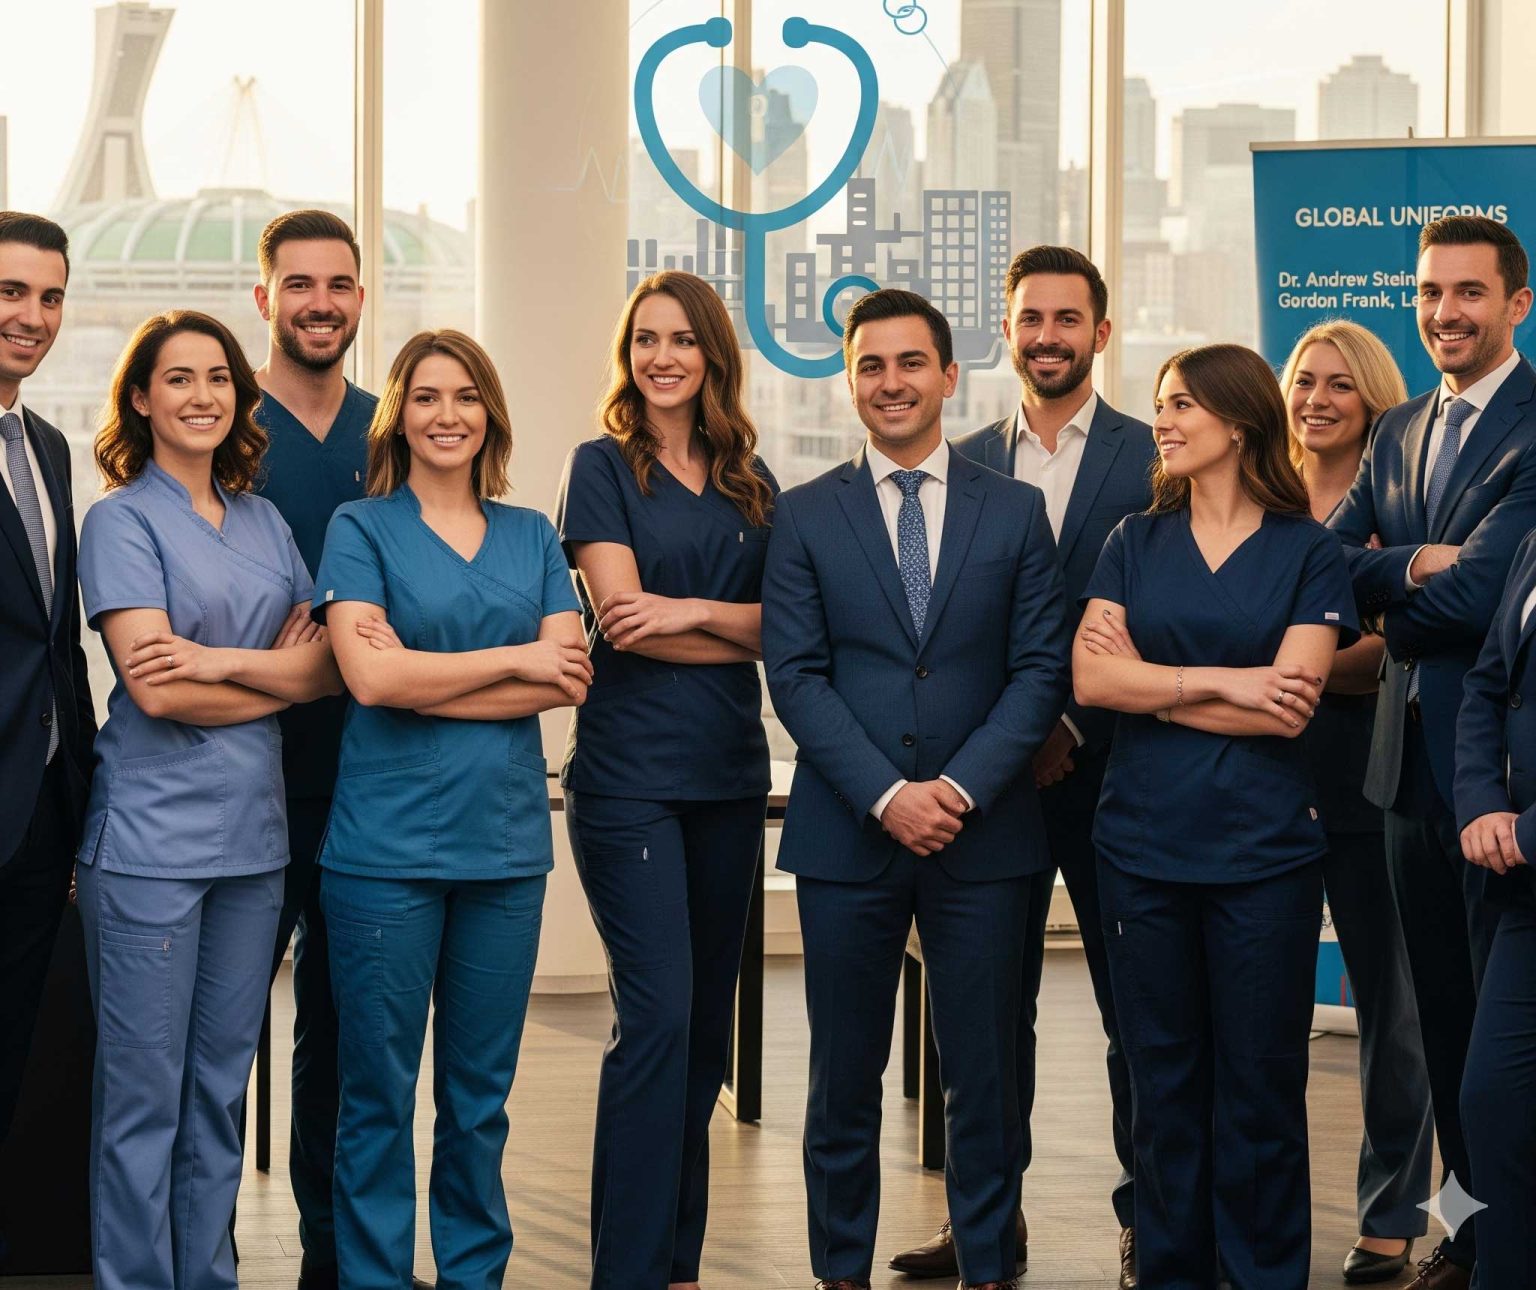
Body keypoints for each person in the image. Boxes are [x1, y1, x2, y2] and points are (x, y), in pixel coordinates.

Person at [763, 288, 1070, 1290]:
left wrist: (960, 790)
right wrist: (889, 794)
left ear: (948, 374)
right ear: (850, 380)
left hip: (987, 836)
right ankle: (839, 1272)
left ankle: (988, 1267)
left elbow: (1039, 673)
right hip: (849, 834)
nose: (890, 383)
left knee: (984, 1073)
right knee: (843, 1077)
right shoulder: (803, 515)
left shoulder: (1016, 512)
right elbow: (795, 675)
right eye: (869, 366)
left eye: (909, 363)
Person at [892, 245, 1152, 1290]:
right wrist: (1010, 741)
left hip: (1116, 777)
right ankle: (983, 1227)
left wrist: (1069, 729)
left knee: (1138, 1010)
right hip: (990, 784)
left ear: (1101, 330)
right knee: (986, 1013)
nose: (1047, 336)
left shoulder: (1154, 454)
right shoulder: (965, 464)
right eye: (1029, 318)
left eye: (1067, 318)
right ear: (1005, 331)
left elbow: (1161, 612)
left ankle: (1151, 1220)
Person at [1075, 342, 1357, 1290]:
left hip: (1264, 855)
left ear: (1237, 422)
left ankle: (1265, 1274)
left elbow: (1298, 697)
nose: (1162, 420)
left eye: (1182, 404)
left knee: (1260, 1088)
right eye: (1160, 403)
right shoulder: (1132, 541)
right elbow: (1090, 678)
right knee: (1162, 1085)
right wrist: (1226, 681)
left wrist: (1153, 685)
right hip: (1143, 853)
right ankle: (1173, 1273)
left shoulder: (1309, 551)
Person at [312, 329, 589, 1290]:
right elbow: (370, 680)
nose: (447, 415)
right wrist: (513, 658)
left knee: (478, 1101)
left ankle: (474, 1275)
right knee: (378, 1097)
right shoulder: (360, 527)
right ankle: (375, 1279)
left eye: (466, 396)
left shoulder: (532, 535)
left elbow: (571, 678)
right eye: (427, 396)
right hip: (382, 854)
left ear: (490, 415)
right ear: (400, 414)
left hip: (505, 852)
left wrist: (421, 673)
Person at [75, 310, 341, 1290]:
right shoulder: (120, 520)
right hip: (149, 846)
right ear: (141, 399)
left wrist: (233, 664)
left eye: (219, 377)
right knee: (144, 1102)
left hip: (252, 847)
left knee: (218, 1095)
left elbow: (326, 673)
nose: (202, 396)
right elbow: (156, 689)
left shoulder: (267, 521)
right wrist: (273, 669)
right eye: (178, 379)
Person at [554, 270, 777, 1290]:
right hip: (630, 780)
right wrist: (722, 627)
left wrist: (685, 618)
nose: (662, 357)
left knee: (706, 1031)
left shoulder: (750, 479)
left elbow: (783, 631)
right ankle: (629, 1271)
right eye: (645, 339)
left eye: (683, 339)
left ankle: (677, 1263)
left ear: (713, 354)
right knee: (658, 1017)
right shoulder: (601, 468)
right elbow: (619, 619)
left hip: (729, 778)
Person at [1330, 215, 1536, 1290]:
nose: (1443, 313)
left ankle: (1514, 1241)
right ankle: (1469, 1231)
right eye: (1428, 293)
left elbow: (1489, 596)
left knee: (1506, 1051)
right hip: (1401, 765)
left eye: (1467, 293)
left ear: (1516, 303)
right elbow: (1326, 564)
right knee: (1444, 1026)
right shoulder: (1398, 426)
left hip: (1499, 774)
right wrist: (1415, 572)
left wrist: (1391, 586)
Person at [246, 208, 399, 1290]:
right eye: (299, 284)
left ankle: (333, 1259)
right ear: (266, 298)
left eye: (338, 284)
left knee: (348, 1044)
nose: (320, 303)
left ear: (359, 296)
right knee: (215, 1039)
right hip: (243, 773)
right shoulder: (220, 421)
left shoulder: (396, 428)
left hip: (374, 776)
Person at [1280, 320, 1434, 1284]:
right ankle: (1262, 1211)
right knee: (1262, 1015)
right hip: (1264, 782)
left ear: (1373, 398)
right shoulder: (1257, 498)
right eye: (1304, 380)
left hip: (1374, 777)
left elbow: (1398, 640)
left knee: (1394, 1013)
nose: (1318, 399)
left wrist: (1303, 660)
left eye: (1341, 384)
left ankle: (1393, 1219)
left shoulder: (1402, 499)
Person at [0, 213, 96, 1231]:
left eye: (50, 296)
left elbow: (55, 639)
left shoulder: (50, 449)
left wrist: (83, 798)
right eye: (12, 292)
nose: (31, 317)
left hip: (38, 820)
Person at [1453, 527, 1536, 1287]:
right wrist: (1480, 803)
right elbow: (1486, 683)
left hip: (1526, 848)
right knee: (1492, 1099)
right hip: (1525, 891)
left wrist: (1526, 830)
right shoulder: (1533, 541)